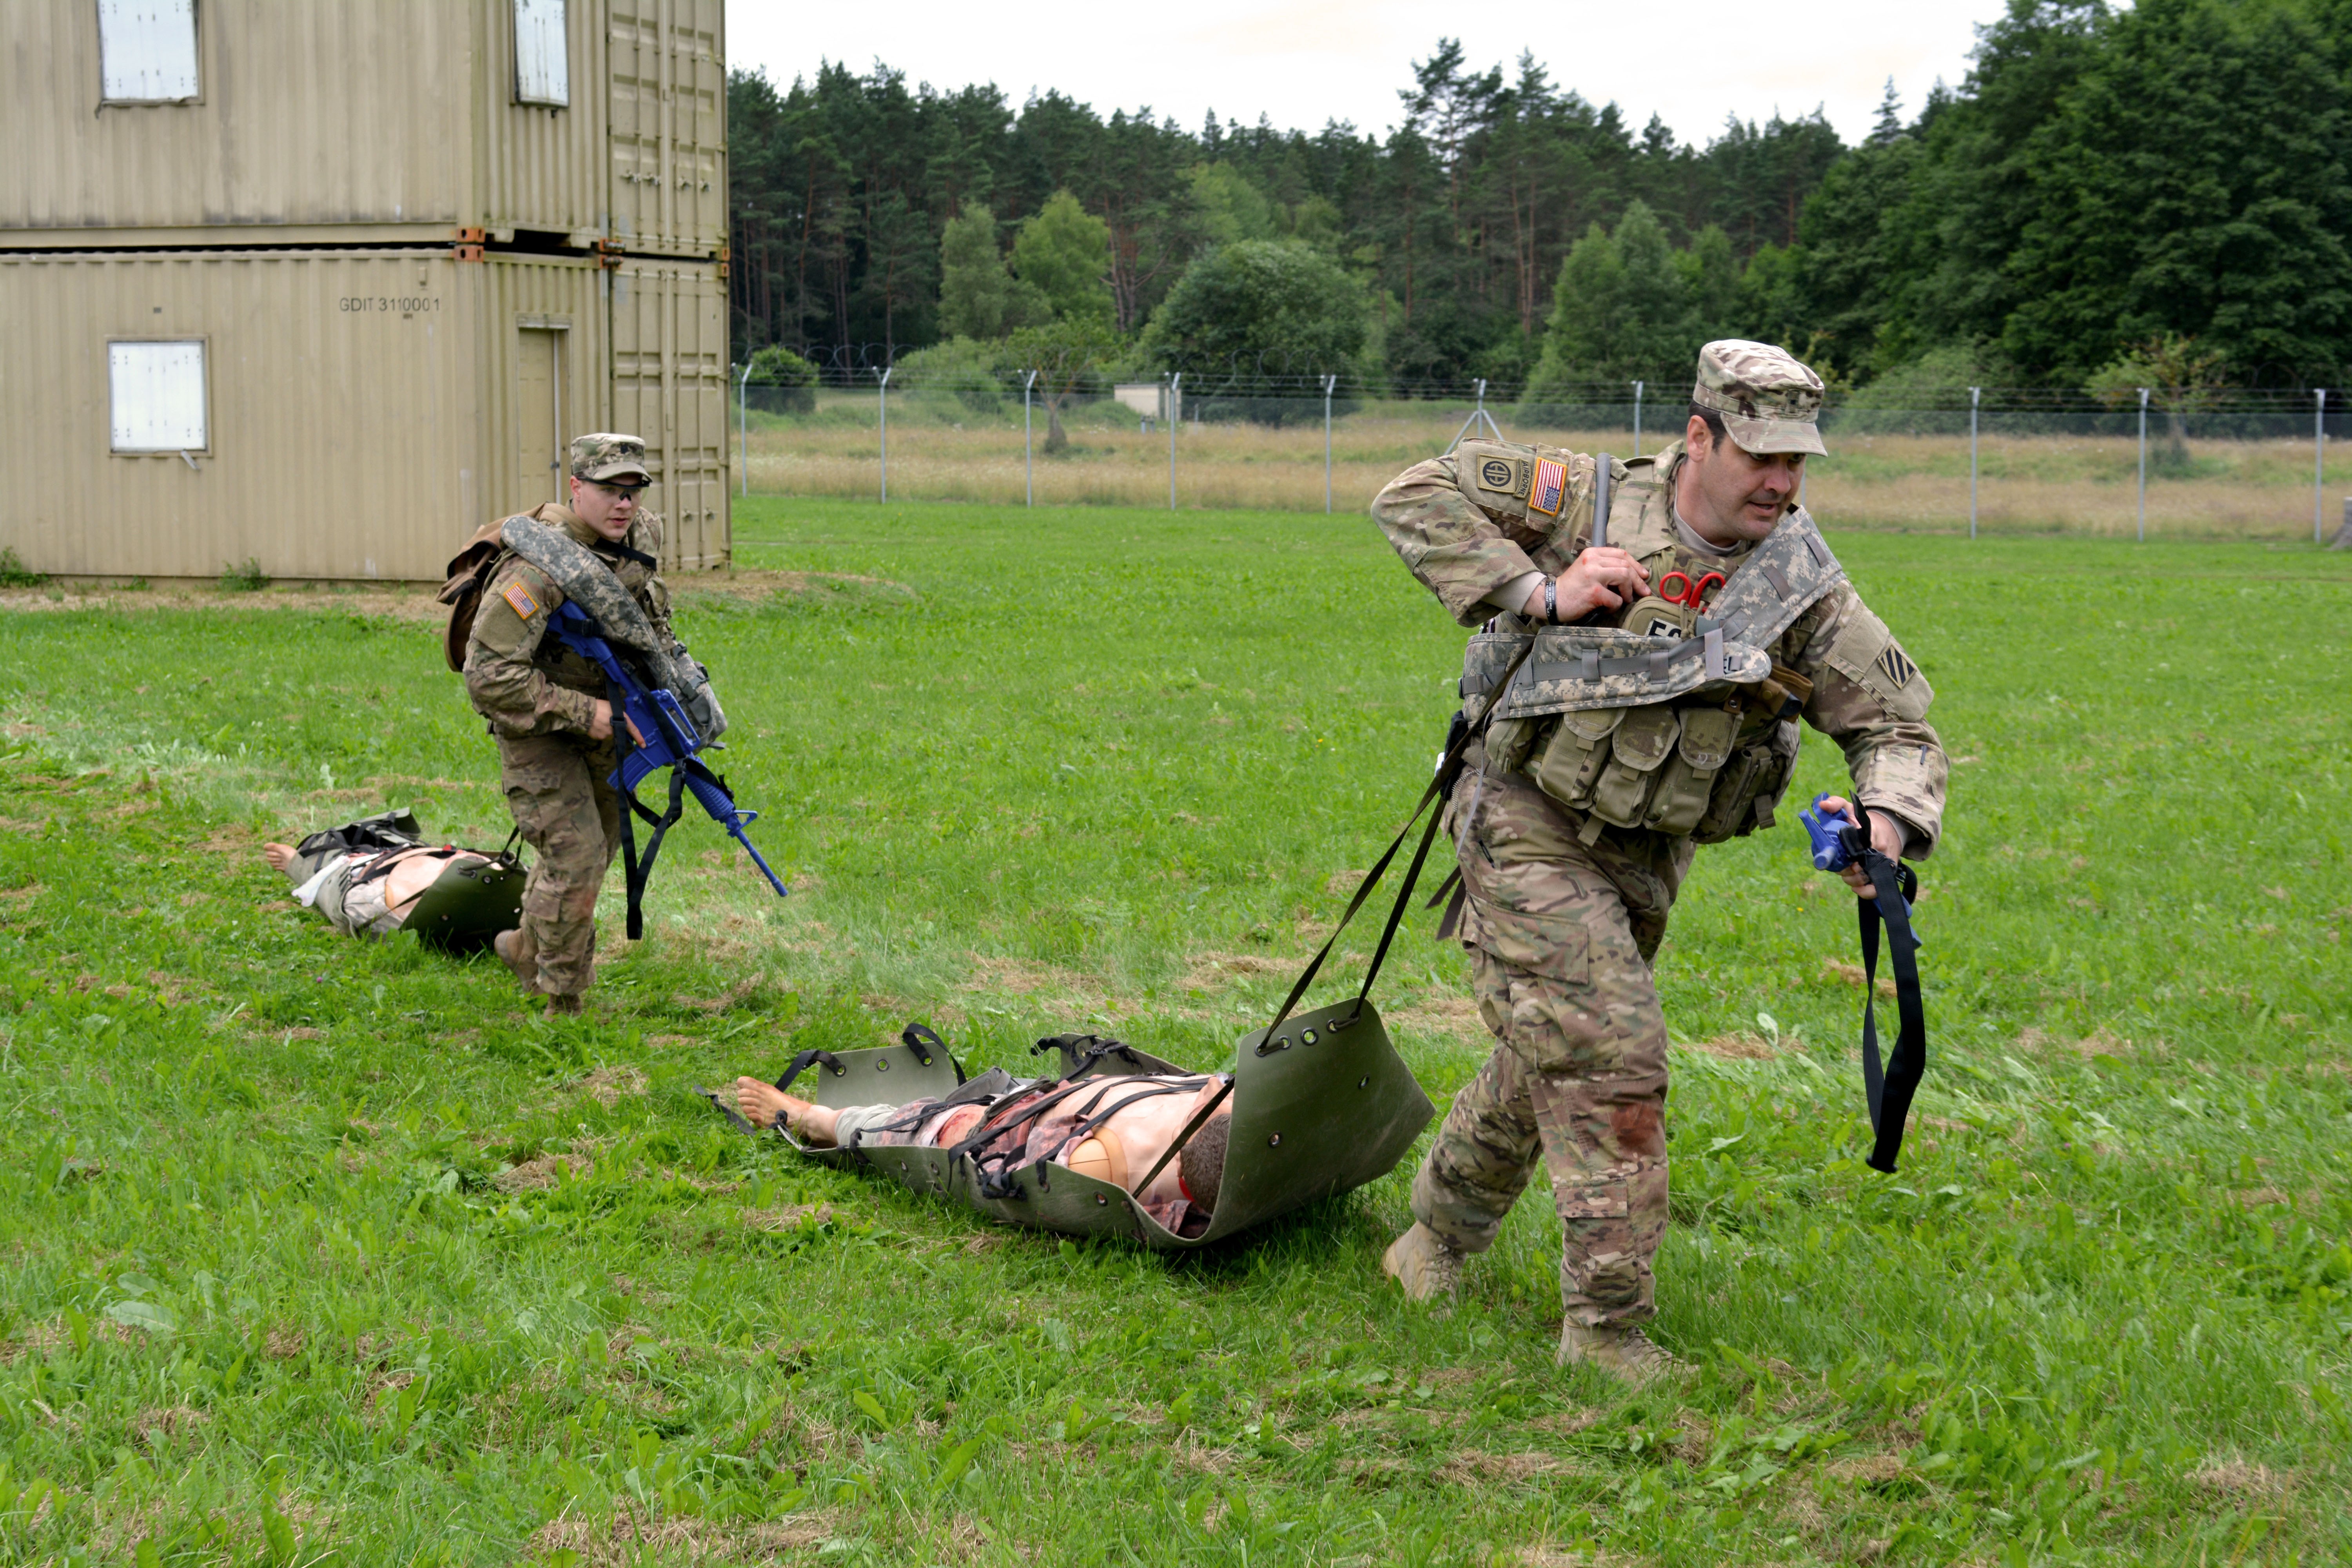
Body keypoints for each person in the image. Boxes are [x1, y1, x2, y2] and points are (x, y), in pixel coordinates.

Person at [1368, 340, 1949, 1381]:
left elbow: (1898, 729)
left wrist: (1886, 826)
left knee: (1547, 1053)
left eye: (1798, 462)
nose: (1781, 481)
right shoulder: (1584, 500)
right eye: (1760, 456)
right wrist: (1537, 590)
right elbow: (1411, 494)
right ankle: (1606, 1333)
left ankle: (1434, 1239)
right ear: (1698, 437)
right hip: (1521, 816)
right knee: (1615, 1060)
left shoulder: (1801, 589)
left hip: (1646, 858)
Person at [463, 434, 671, 1015]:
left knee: (593, 852)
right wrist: (588, 712)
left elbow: (650, 622)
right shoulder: (537, 570)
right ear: (576, 487)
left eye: (633, 491)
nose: (623, 504)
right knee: (576, 857)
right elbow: (487, 678)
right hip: (538, 725)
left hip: (613, 717)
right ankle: (563, 1001)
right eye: (609, 490)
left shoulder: (642, 538)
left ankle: (525, 946)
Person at [730, 1068, 1233, 1237]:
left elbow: (1006, 1169)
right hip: (1050, 1111)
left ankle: (816, 1119)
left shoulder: (1110, 1163)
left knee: (934, 1130)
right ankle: (817, 1120)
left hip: (1035, 1120)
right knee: (940, 1128)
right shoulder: (1220, 1100)